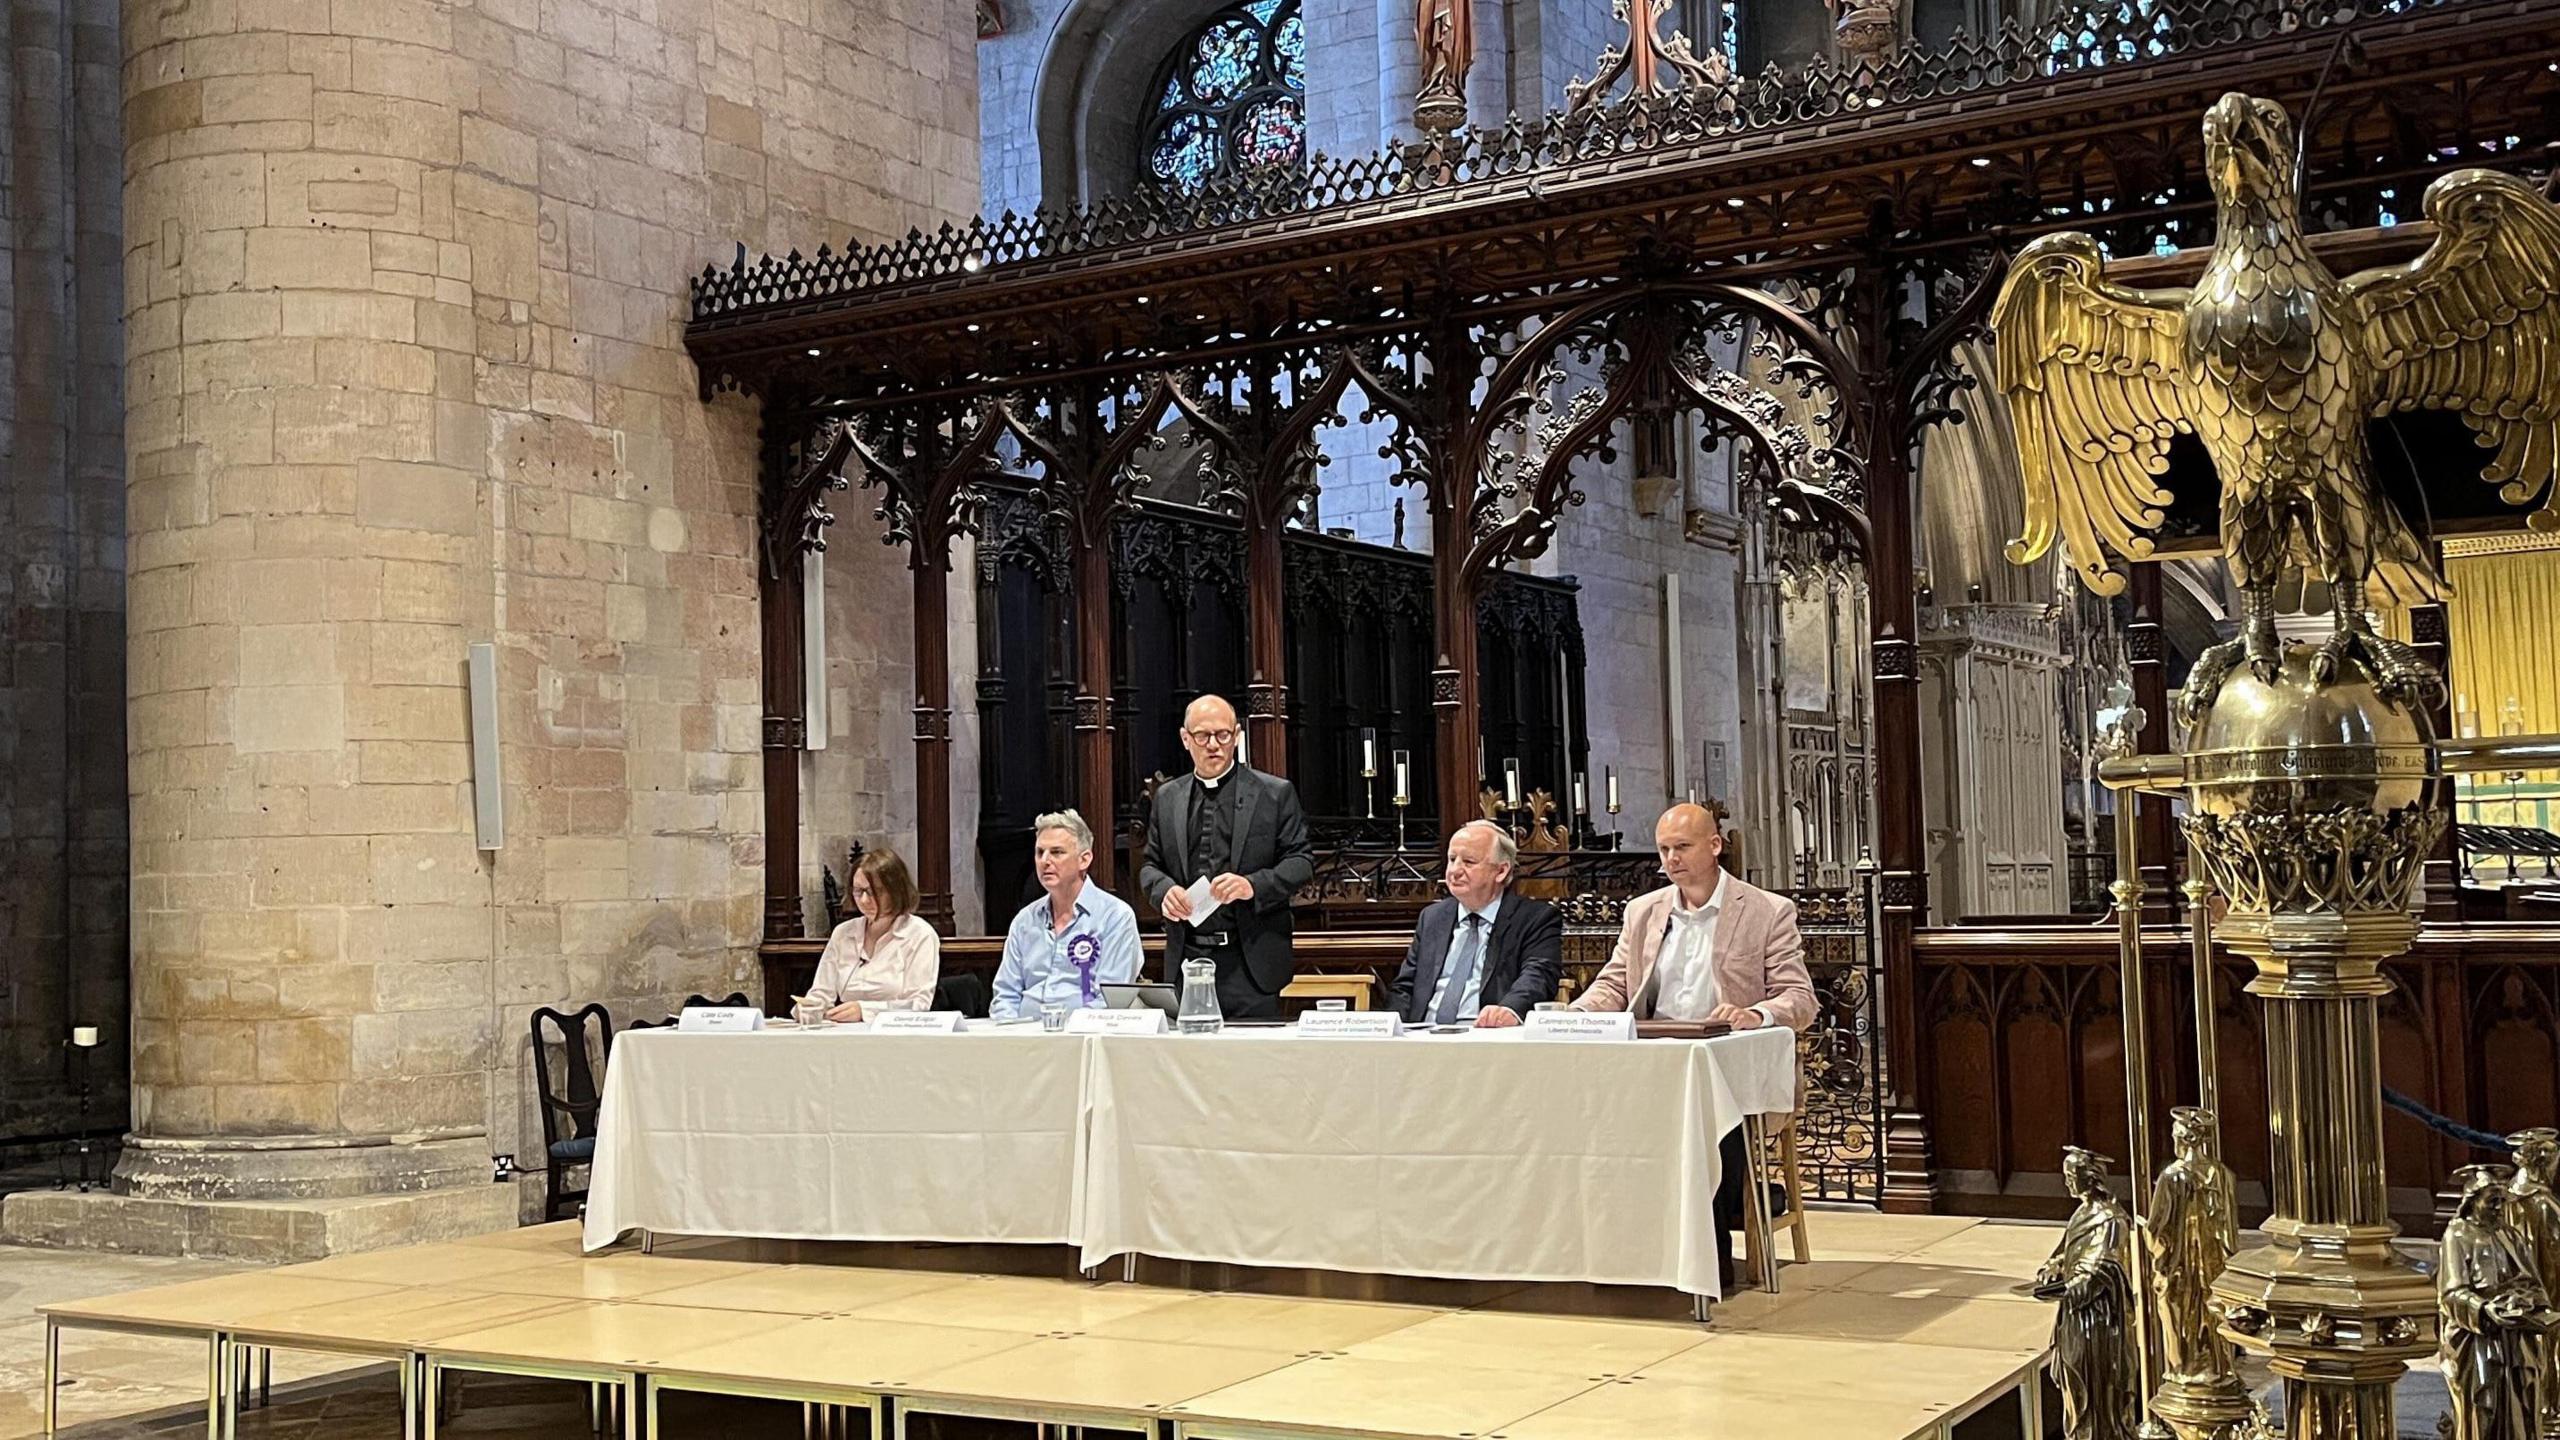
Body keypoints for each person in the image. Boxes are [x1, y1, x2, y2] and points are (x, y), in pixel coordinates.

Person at [1572, 801, 1815, 1290]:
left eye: (1682, 847)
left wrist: (1756, 1014)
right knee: (1590, 1113)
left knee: (1707, 1116)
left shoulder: (1766, 910)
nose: (1671, 860)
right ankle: (1626, 1257)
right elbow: (1615, 984)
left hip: (1723, 1063)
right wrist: (1577, 1016)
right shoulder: (1643, 911)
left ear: (1714, 846)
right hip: (1652, 1058)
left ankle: (1712, 1263)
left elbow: (1800, 998)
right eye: (1663, 850)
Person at [1138, 695, 1315, 1020]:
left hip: (1249, 964)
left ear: (1236, 736)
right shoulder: (1167, 797)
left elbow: (1301, 862)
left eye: (1222, 735)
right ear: (1185, 739)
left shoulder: (1274, 793)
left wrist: (1252, 885)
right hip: (1187, 962)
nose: (1213, 745)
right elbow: (1150, 865)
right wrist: (1164, 891)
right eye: (1203, 736)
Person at [1386, 820, 1562, 1027]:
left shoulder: (1535, 918)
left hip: (1487, 1036)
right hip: (1424, 1036)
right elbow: (1404, 987)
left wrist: (1509, 1009)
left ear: (1501, 871)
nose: (1455, 870)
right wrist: (1392, 1032)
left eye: (1468, 862)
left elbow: (1537, 976)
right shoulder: (1432, 917)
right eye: (1452, 859)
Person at [991, 810, 1142, 1021]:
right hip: (1024, 1038)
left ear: (1084, 859)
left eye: (1057, 852)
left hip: (1083, 1038)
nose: (1045, 861)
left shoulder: (1115, 917)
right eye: (1039, 852)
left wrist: (1066, 1036)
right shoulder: (1024, 921)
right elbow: (1005, 995)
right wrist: (1011, 1032)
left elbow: (1110, 1001)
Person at [807, 846, 942, 1022]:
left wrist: (865, 1011)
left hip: (895, 1037)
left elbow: (919, 1004)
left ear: (895, 890)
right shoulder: (843, 933)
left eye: (873, 892)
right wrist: (809, 1007)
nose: (863, 900)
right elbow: (821, 993)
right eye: (858, 891)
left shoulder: (920, 934)